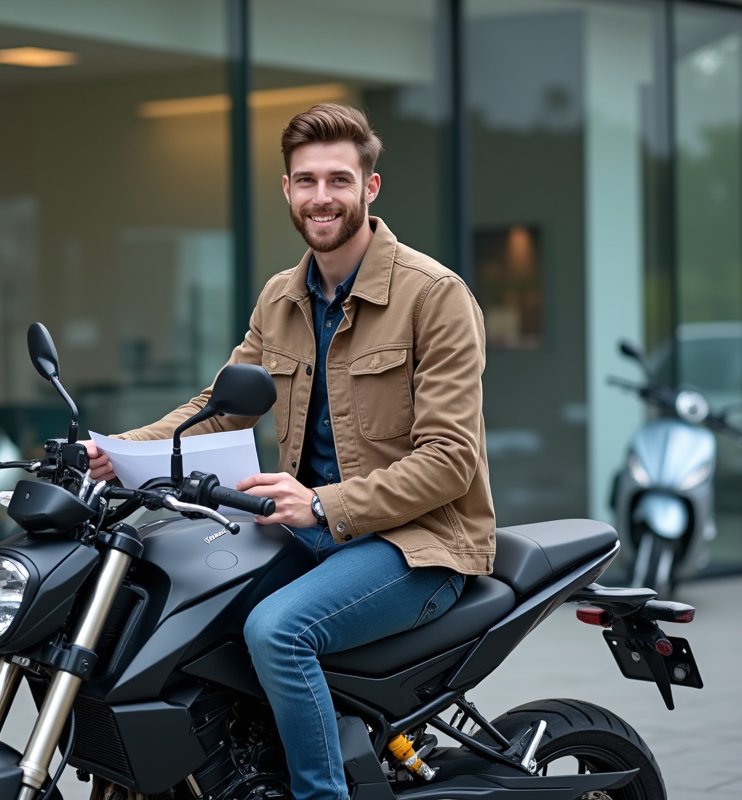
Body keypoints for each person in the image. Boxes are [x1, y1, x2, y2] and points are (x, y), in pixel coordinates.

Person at [85, 103, 495, 800]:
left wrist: (321, 503)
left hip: (421, 545)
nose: (321, 198)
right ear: (286, 190)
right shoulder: (281, 298)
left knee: (277, 630)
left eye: (339, 180)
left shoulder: (434, 295)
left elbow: (451, 459)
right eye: (306, 181)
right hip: (306, 531)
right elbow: (218, 408)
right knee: (174, 607)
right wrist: (116, 451)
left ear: (370, 188)